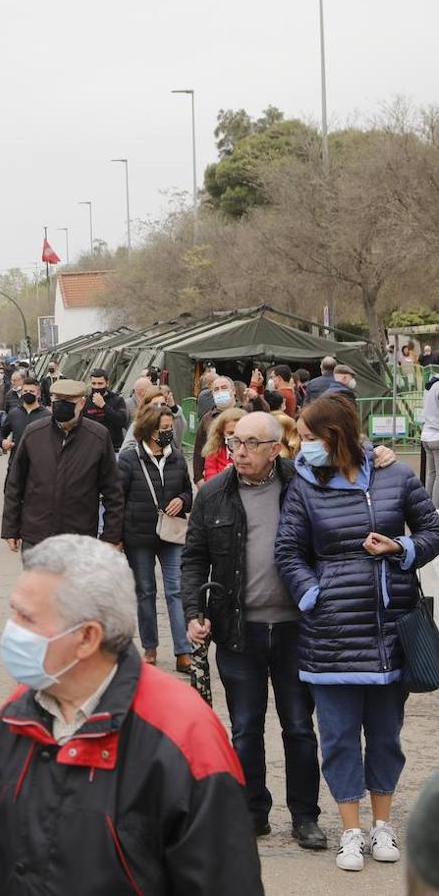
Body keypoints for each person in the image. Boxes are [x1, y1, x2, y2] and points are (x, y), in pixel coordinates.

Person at [0, 535, 262, 895]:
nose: (11, 629)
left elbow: (223, 880)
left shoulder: (184, 738)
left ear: (87, 637)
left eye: (26, 617)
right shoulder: (14, 718)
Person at [276, 394, 439, 872]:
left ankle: (382, 825)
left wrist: (401, 546)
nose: (302, 448)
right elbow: (288, 550)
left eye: (308, 439)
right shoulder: (304, 485)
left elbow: (433, 529)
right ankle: (350, 829)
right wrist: (313, 593)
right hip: (330, 634)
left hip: (390, 629)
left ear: (335, 435)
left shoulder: (396, 475)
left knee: (386, 736)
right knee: (340, 735)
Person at [182, 412, 327, 851]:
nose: (239, 452)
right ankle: (252, 813)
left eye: (249, 444)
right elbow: (193, 560)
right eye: (234, 443)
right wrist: (193, 611)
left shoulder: (302, 487)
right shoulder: (212, 494)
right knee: (245, 728)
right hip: (237, 631)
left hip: (295, 630)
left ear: (274, 448)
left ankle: (305, 817)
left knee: (299, 726)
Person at [1, 378, 123, 553]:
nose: (61, 405)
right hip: (37, 535)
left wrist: (111, 535)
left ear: (81, 403)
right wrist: (10, 528)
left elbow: (113, 490)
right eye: (57, 400)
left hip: (79, 537)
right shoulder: (34, 433)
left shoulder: (98, 437)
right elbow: (15, 483)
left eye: (68, 401)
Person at [117, 404, 193, 669]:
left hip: (171, 533)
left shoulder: (177, 458)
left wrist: (182, 501)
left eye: (170, 429)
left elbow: (188, 492)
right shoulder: (129, 459)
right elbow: (117, 499)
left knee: (176, 590)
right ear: (149, 431)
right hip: (138, 534)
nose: (168, 433)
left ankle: (183, 650)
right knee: (145, 591)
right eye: (164, 429)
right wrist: (116, 536)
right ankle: (150, 647)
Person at [191, 375, 235, 482]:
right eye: (216, 390)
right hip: (214, 479)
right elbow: (198, 449)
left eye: (224, 388)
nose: (220, 392)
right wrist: (198, 479)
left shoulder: (245, 413)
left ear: (233, 391)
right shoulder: (207, 418)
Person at [0, 376, 48, 459]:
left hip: (38, 463)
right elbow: (1, 432)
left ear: (38, 394)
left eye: (31, 391)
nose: (28, 393)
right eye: (25, 391)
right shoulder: (14, 414)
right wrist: (2, 441)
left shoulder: (47, 416)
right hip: (16, 462)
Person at [83, 368, 128, 450]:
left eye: (100, 384)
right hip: (91, 447)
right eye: (94, 383)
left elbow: (121, 421)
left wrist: (103, 406)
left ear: (107, 383)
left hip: (113, 447)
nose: (97, 387)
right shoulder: (86, 401)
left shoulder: (117, 400)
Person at [200, 407, 246, 483]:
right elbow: (210, 481)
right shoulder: (213, 452)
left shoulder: (253, 452)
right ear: (222, 433)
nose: (235, 437)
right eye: (230, 433)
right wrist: (224, 476)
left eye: (239, 432)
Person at [424, 373, 439, 507]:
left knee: (432, 474)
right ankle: (436, 510)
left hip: (426, 434)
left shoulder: (430, 385)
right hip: (437, 435)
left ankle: (427, 507)